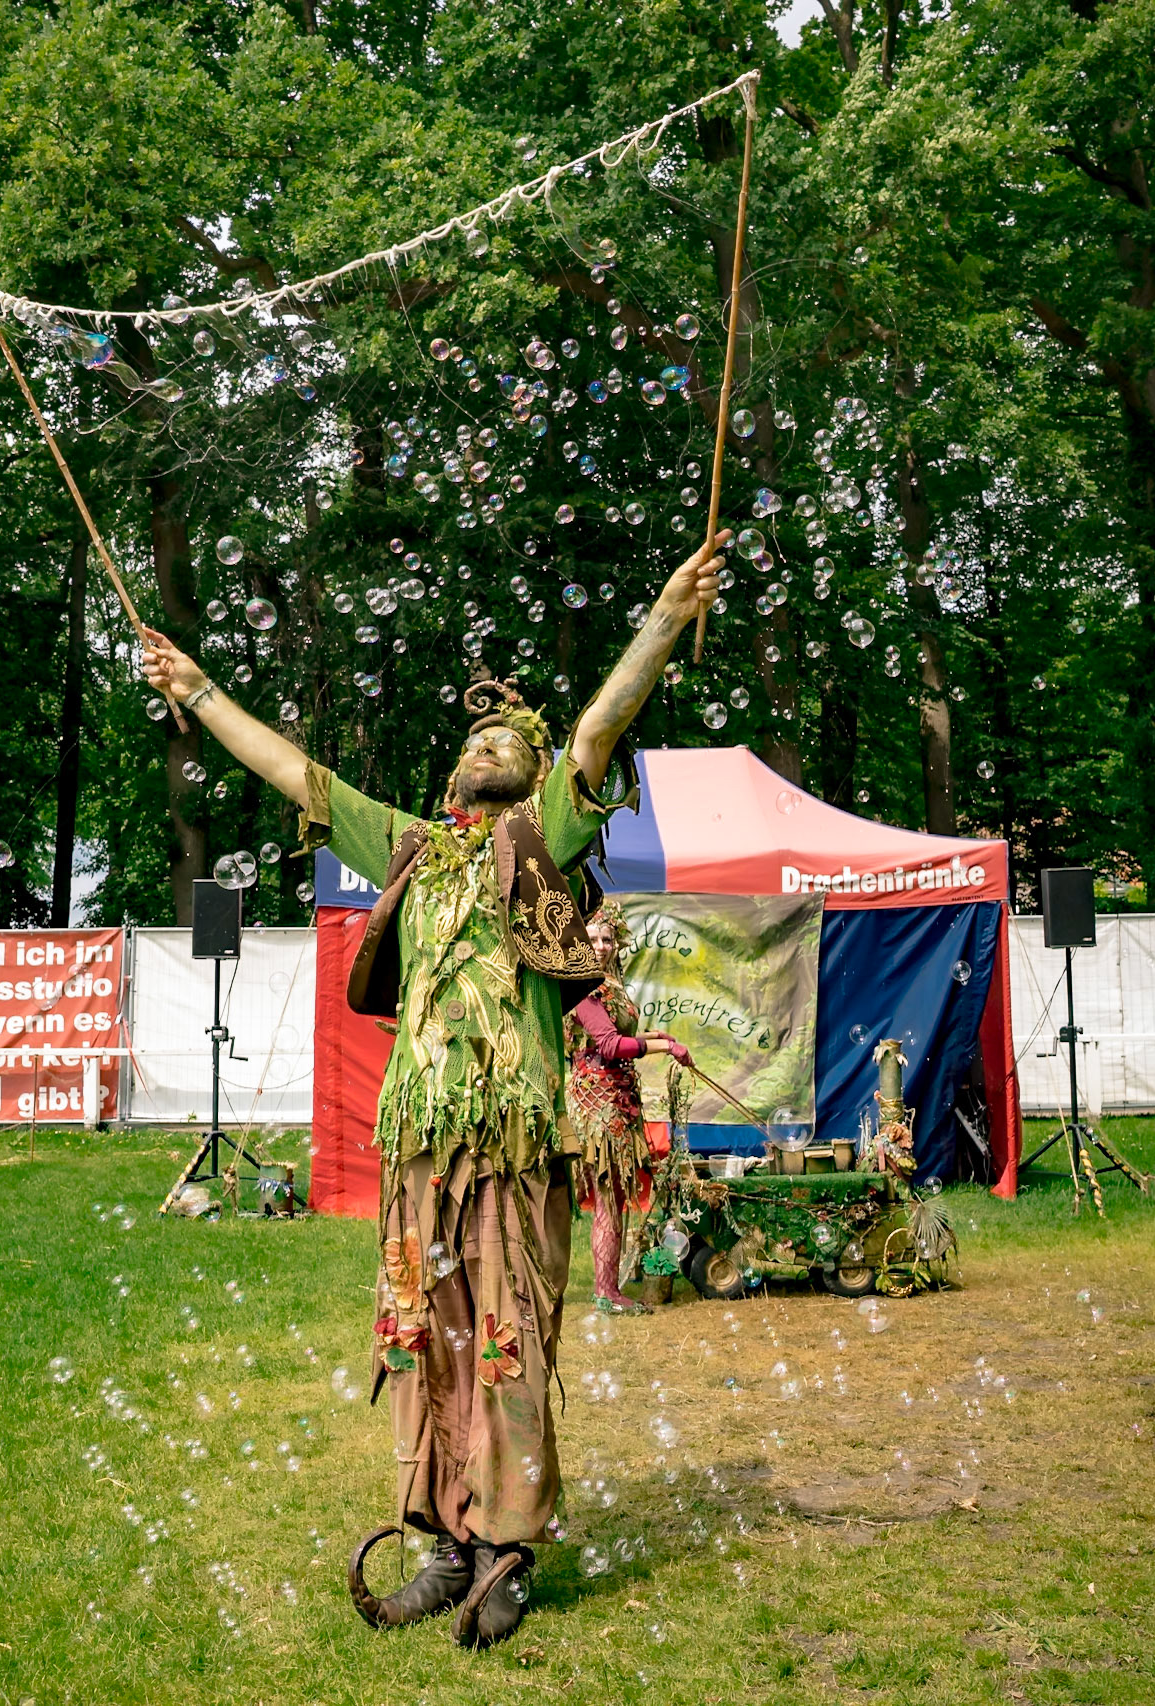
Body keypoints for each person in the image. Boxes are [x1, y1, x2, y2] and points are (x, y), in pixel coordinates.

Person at [141, 529, 730, 1647]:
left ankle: (507, 1551)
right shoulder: (409, 848)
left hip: (512, 1142)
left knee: (507, 1341)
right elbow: (293, 772)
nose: (485, 739)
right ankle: (444, 1542)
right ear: (451, 774)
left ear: (531, 769)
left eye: (507, 735)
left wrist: (663, 615)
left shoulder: (542, 835)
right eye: (472, 736)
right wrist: (198, 685)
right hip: (418, 1147)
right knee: (420, 1339)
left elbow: (599, 729)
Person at [566, 903, 690, 1315]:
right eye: (593, 938)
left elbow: (623, 1034)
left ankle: (610, 1287)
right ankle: (605, 1292)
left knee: (616, 1196)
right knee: (607, 1196)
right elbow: (608, 1044)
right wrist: (663, 1047)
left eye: (607, 938)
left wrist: (658, 1036)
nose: (601, 946)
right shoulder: (582, 985)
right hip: (597, 1103)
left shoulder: (611, 984)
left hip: (619, 1098)